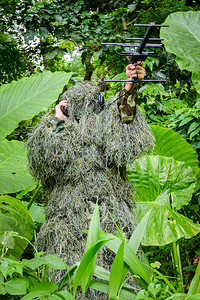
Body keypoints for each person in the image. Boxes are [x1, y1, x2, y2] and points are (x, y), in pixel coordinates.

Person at [27, 62, 153, 294]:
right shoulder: (57, 129)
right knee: (68, 275)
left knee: (114, 270)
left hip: (109, 212)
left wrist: (129, 89)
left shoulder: (106, 123)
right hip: (67, 218)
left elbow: (123, 134)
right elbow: (46, 162)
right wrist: (58, 121)